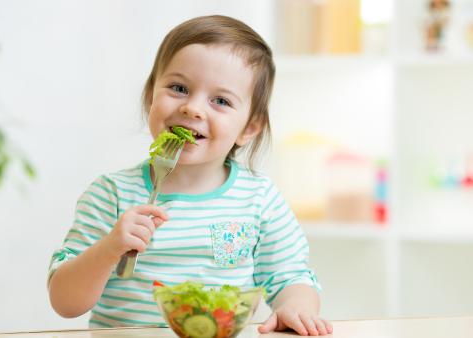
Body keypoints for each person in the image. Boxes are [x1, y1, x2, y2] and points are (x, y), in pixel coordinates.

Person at [48, 15, 333, 336]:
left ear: (250, 127)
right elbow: (65, 301)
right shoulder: (111, 193)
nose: (193, 109)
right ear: (150, 97)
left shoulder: (259, 199)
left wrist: (296, 306)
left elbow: (290, 277)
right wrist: (109, 248)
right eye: (179, 88)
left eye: (221, 100)